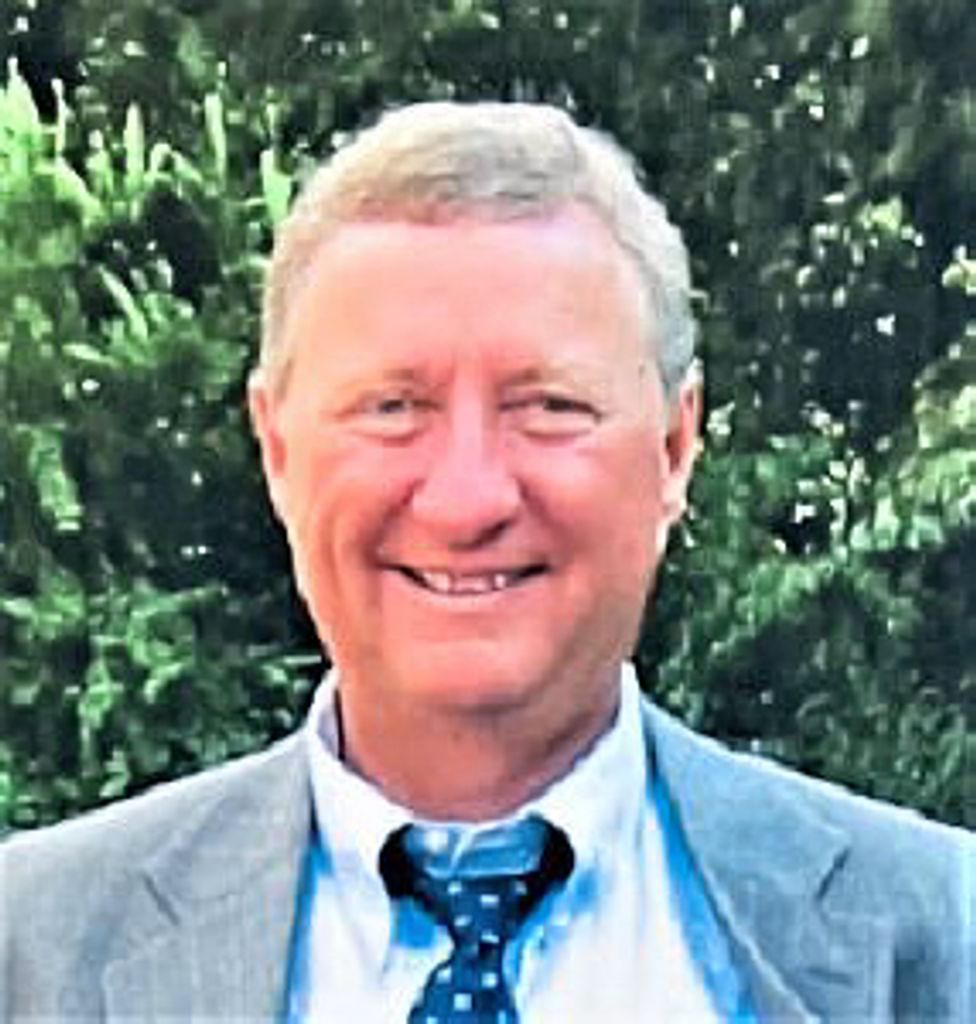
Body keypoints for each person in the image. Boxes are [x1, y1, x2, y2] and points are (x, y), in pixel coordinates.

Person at [2, 102, 971, 1023]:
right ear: (279, 450)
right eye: (393, 408)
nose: (467, 500)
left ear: (674, 448)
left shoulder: (943, 935)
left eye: (549, 406)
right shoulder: (32, 950)